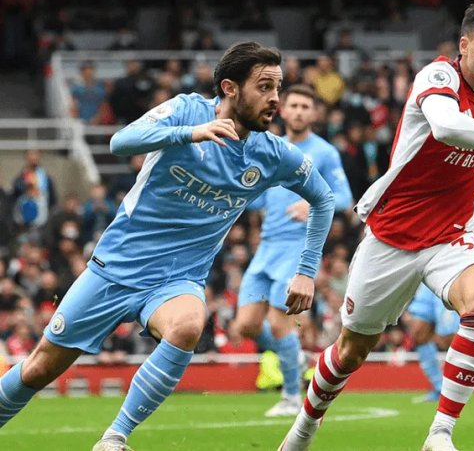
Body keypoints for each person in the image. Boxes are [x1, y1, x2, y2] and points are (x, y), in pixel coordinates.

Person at [0, 42, 335, 451]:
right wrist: (188, 134)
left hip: (177, 279)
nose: (275, 99)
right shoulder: (187, 110)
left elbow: (324, 199)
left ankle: (114, 438)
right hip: (115, 269)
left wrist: (306, 270)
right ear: (230, 88)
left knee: (188, 324)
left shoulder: (273, 154)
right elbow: (121, 141)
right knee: (38, 368)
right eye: (265, 87)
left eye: (278, 88)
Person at [279, 2, 474, 451]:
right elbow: (447, 127)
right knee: (350, 352)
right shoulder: (438, 77)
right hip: (393, 236)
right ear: (464, 45)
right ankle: (302, 431)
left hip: (452, 235)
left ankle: (439, 434)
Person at [234, 84, 352, 417]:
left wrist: (311, 203)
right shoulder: (271, 147)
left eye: (305, 106)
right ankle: (294, 355)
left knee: (279, 322)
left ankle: (290, 396)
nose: (299, 111)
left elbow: (344, 197)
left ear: (314, 113)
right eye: (294, 106)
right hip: (266, 247)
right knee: (245, 326)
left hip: (297, 249)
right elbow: (256, 197)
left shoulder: (324, 152)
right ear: (282, 110)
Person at [408, 283, 474, 404]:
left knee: (449, 338)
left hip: (446, 279)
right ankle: (440, 388)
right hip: (425, 282)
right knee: (418, 334)